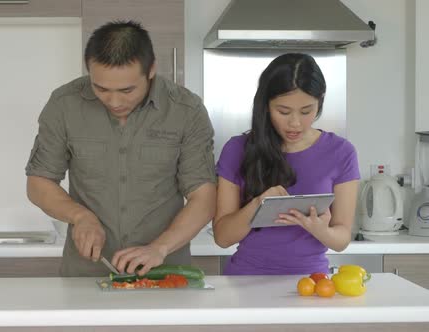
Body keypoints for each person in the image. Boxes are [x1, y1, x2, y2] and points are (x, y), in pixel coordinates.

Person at [25, 21, 216, 277]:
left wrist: (159, 248)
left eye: (127, 90)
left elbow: (203, 197)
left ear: (151, 70)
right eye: (101, 88)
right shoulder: (64, 105)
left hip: (165, 273)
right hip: (86, 273)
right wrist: (80, 217)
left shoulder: (186, 111)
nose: (114, 102)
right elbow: (39, 182)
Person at [213, 53, 360, 275]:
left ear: (320, 102)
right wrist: (258, 204)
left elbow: (341, 240)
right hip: (244, 281)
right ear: (266, 105)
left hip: (311, 284)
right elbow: (222, 238)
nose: (295, 123)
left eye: (306, 111)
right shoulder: (237, 149)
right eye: (283, 111)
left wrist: (321, 230)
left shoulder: (341, 152)